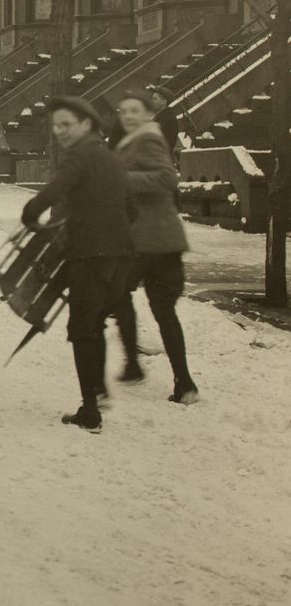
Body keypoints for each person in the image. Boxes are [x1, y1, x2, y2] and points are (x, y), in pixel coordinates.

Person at [21, 95, 135, 433]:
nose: (59, 132)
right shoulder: (111, 158)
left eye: (66, 125)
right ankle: (97, 392)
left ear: (86, 125)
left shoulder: (79, 155)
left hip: (89, 255)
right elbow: (133, 209)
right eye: (56, 125)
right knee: (95, 322)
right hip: (120, 257)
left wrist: (31, 211)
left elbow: (57, 188)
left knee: (81, 329)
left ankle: (90, 411)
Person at [110, 91, 199, 404]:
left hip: (153, 241)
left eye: (136, 110)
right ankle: (184, 383)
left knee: (119, 293)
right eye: (124, 111)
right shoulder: (133, 140)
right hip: (150, 240)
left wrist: (122, 178)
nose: (129, 116)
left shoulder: (149, 138)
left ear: (149, 113)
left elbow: (166, 178)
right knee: (161, 311)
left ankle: (136, 366)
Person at [145, 85, 181, 163]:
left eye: (155, 99)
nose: (151, 101)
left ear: (164, 101)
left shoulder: (168, 119)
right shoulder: (160, 117)